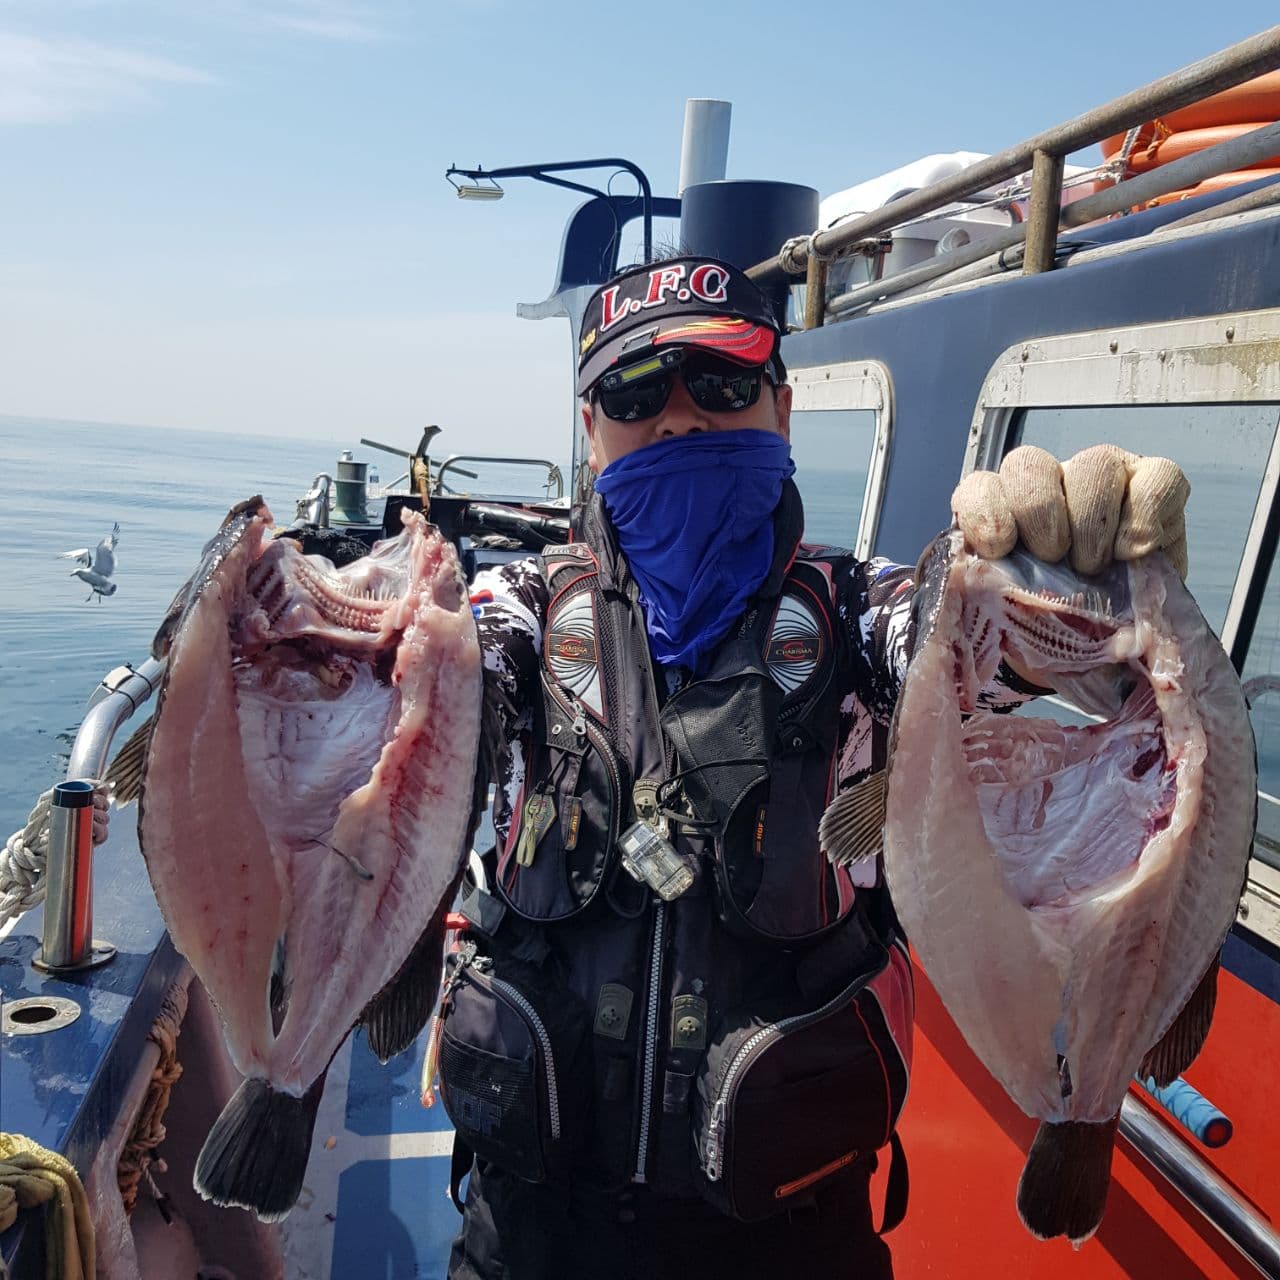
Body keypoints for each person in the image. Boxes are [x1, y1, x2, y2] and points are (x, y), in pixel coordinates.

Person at [439, 255, 1190, 1280]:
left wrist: (1062, 583)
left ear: (780, 409)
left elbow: (956, 635)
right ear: (590, 428)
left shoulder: (857, 602)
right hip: (527, 1224)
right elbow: (452, 680)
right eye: (633, 392)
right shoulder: (520, 604)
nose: (678, 419)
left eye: (719, 383)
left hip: (788, 1232)